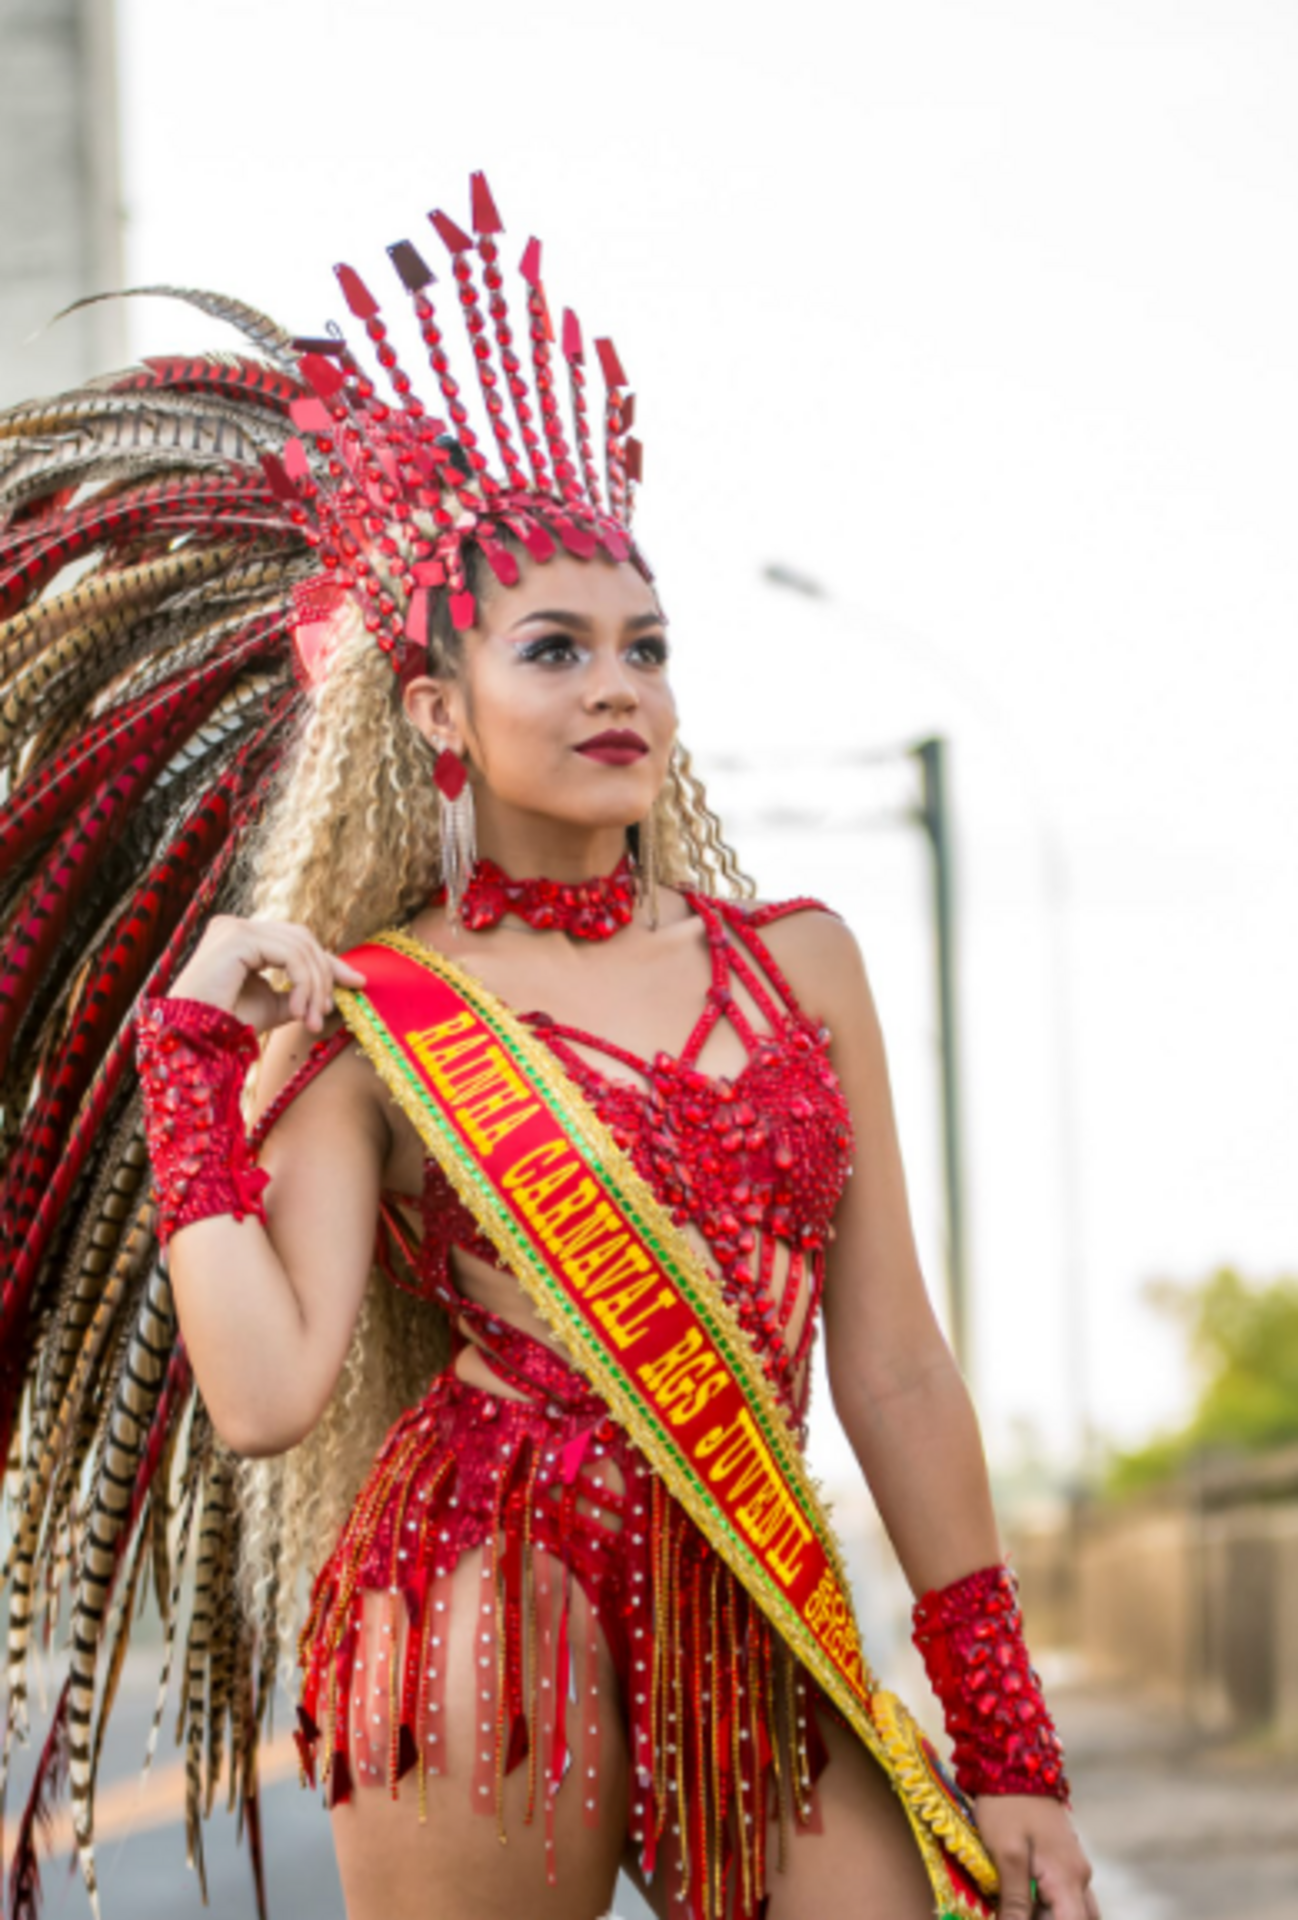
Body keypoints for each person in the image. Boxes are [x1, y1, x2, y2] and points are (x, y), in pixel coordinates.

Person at [0, 175, 1096, 1920]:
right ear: (437, 709)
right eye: (558, 649)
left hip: (751, 1582)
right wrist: (188, 1066)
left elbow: (891, 1364)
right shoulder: (370, 1014)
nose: (618, 688)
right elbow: (268, 1395)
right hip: (483, 1601)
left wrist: (1006, 1742)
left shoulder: (799, 965)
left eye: (646, 650)